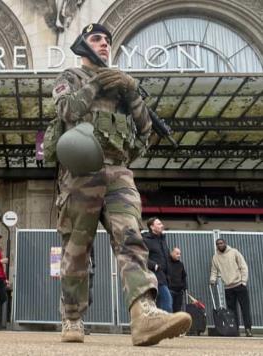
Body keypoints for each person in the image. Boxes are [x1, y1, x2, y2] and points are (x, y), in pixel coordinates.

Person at [53, 23, 191, 345]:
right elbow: (67, 109)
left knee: (131, 238)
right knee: (77, 252)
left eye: (107, 41)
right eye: (97, 39)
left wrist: (131, 91)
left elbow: (145, 131)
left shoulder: (123, 87)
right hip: (80, 173)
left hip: (118, 171)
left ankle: (144, 312)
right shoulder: (70, 78)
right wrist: (98, 82)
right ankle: (72, 318)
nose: (104, 44)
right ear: (84, 45)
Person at [210, 238, 252, 337]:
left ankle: (248, 329)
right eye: (218, 244)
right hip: (228, 288)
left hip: (239, 285)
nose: (220, 245)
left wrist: (244, 281)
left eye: (221, 243)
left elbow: (243, 266)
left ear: (225, 243)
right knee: (232, 312)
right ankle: (235, 330)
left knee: (245, 309)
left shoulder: (234, 252)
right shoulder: (215, 257)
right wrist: (212, 280)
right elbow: (214, 270)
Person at [143, 217, 172, 312]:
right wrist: (154, 266)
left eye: (161, 223)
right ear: (152, 227)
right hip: (154, 277)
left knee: (159, 306)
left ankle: (158, 326)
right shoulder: (146, 239)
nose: (162, 225)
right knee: (167, 303)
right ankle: (168, 325)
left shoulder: (162, 240)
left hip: (165, 277)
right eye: (159, 224)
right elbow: (140, 256)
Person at [168, 247, 187, 313]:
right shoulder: (167, 264)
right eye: (177, 253)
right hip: (170, 291)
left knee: (178, 310)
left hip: (179, 292)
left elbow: (184, 276)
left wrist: (184, 287)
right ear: (172, 253)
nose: (179, 255)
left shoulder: (181, 264)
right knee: (169, 309)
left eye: (180, 254)